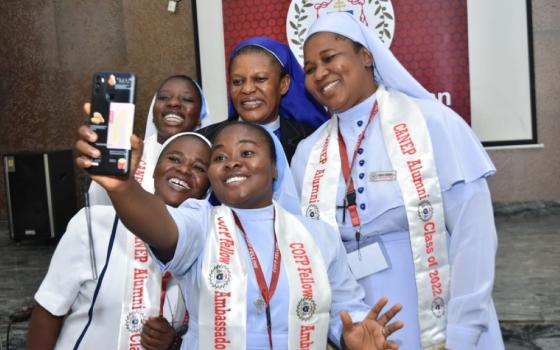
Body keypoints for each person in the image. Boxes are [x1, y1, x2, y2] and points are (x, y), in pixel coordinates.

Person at [75, 120, 404, 349]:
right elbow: (160, 226)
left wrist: (353, 336)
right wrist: (122, 188)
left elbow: (343, 309)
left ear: (274, 168)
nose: (232, 163)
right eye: (219, 157)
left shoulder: (318, 235)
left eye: (246, 153)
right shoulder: (200, 221)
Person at [290, 12, 505, 350]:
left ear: (366, 56)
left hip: (442, 315)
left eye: (329, 58)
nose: (320, 73)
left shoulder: (432, 123)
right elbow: (311, 257)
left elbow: (473, 235)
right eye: (310, 68)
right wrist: (343, 333)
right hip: (361, 326)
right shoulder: (307, 152)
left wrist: (463, 331)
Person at [27, 132, 212, 350]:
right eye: (174, 159)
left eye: (199, 168)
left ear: (208, 189)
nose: (183, 169)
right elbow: (49, 311)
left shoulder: (210, 247)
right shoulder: (94, 224)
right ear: (153, 170)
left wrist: (173, 342)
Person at [199, 37, 327, 162]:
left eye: (260, 79)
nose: (247, 89)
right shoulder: (204, 141)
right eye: (237, 81)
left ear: (284, 84)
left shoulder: (315, 141)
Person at [88, 74, 208, 205]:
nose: (173, 103)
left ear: (200, 118)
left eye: (187, 99)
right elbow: (98, 205)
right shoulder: (127, 155)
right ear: (153, 113)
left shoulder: (211, 165)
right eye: (164, 97)